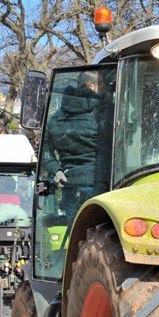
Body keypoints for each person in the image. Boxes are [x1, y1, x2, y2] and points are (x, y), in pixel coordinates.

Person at [43, 70, 106, 215]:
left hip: (70, 183)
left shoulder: (55, 118)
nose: (105, 91)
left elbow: (45, 149)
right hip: (102, 183)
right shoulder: (105, 114)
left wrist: (56, 170)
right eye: (103, 86)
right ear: (91, 86)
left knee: (76, 232)